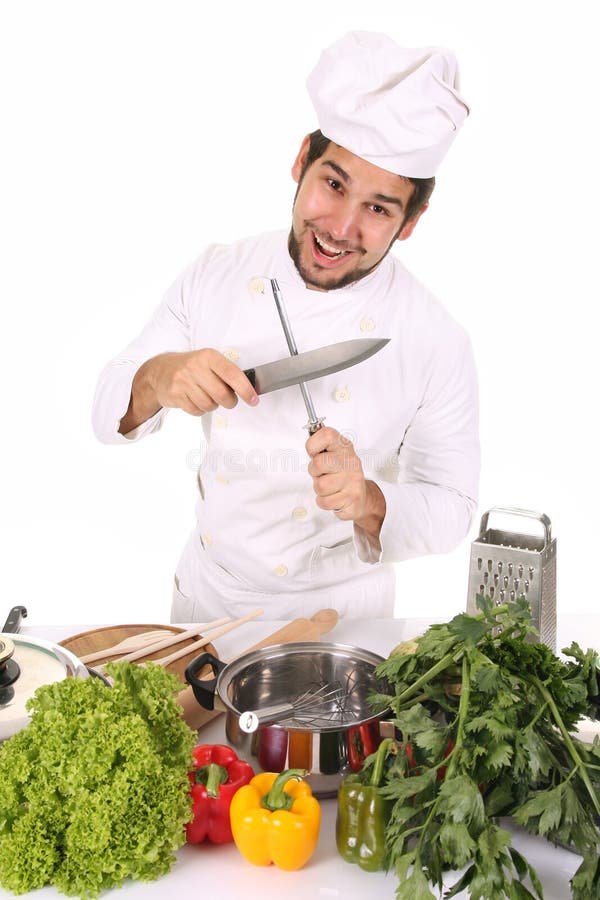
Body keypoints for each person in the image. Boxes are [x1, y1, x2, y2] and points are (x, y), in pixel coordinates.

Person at [92, 31, 480, 622]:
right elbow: (105, 413)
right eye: (333, 183)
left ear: (411, 220)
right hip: (208, 606)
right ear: (302, 160)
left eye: (378, 208)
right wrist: (159, 379)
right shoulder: (217, 273)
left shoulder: (435, 338)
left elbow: (452, 507)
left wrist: (370, 499)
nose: (341, 228)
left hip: (343, 622)